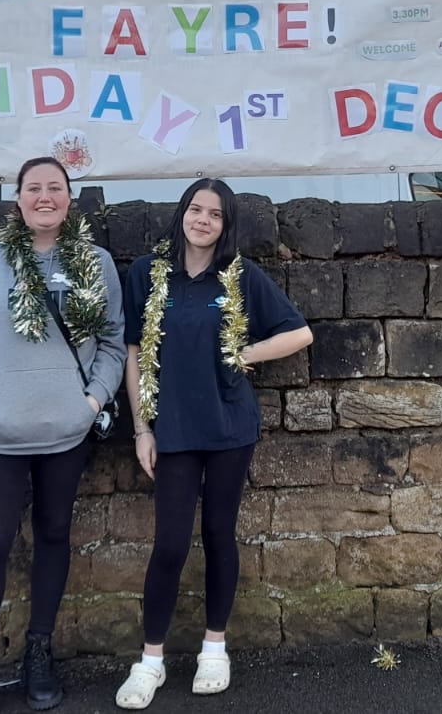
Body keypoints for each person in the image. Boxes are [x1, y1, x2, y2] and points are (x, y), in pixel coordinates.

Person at [114, 179, 314, 709]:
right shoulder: (147, 274)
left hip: (229, 427)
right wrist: (141, 428)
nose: (203, 220)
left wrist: (245, 353)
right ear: (182, 213)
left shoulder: (240, 275)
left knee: (220, 536)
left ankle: (214, 649)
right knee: (171, 546)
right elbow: (133, 351)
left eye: (216, 214)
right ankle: (150, 661)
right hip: (173, 429)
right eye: (196, 209)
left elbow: (300, 333)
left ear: (226, 226)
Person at [0, 157, 125, 714]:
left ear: (70, 199)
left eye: (55, 188)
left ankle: (37, 652)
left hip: (65, 433)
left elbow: (115, 341)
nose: (44, 196)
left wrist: (90, 400)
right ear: (17, 199)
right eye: (33, 188)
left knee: (53, 536)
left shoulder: (95, 263)